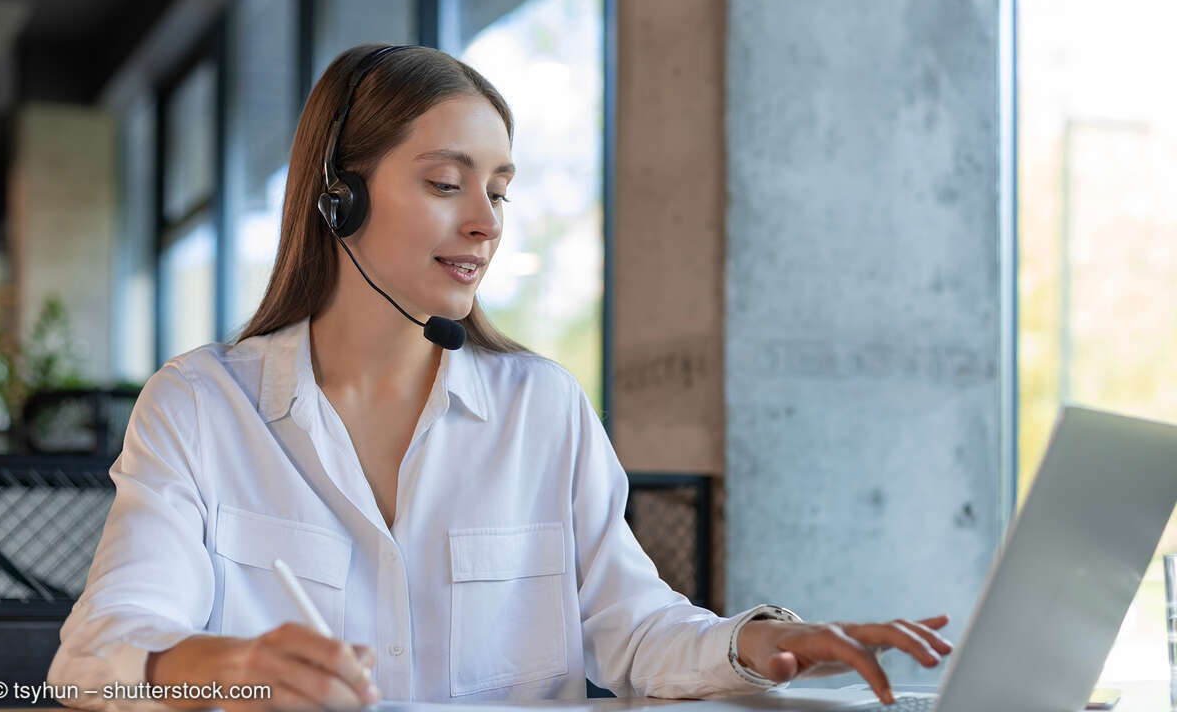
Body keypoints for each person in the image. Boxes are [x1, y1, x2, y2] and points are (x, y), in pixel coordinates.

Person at [48, 43, 952, 712]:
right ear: (339, 198)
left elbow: (635, 633)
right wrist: (223, 667)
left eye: (501, 190)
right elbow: (87, 666)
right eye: (447, 183)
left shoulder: (543, 409)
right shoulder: (203, 409)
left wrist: (762, 643)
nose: (486, 222)